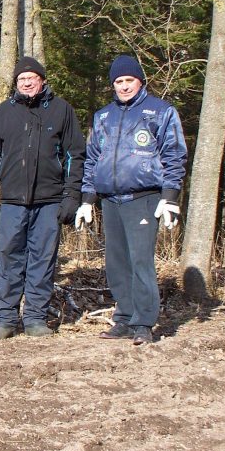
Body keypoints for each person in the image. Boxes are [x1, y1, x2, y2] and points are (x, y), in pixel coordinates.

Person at [76, 55, 187, 346]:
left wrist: (170, 197)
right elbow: (92, 159)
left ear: (140, 81)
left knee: (140, 261)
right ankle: (124, 317)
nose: (124, 86)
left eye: (129, 81)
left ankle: (144, 322)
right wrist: (87, 199)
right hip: (110, 200)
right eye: (119, 82)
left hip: (144, 197)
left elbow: (174, 154)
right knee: (116, 263)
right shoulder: (103, 116)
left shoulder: (160, 112)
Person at [0, 57, 85, 340]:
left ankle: (35, 318)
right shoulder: (3, 112)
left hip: (49, 201)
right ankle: (6, 320)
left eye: (32, 78)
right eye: (21, 79)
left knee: (42, 260)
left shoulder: (62, 111)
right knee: (9, 259)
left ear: (42, 80)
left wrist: (72, 195)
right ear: (16, 83)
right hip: (12, 201)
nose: (26, 82)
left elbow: (74, 155)